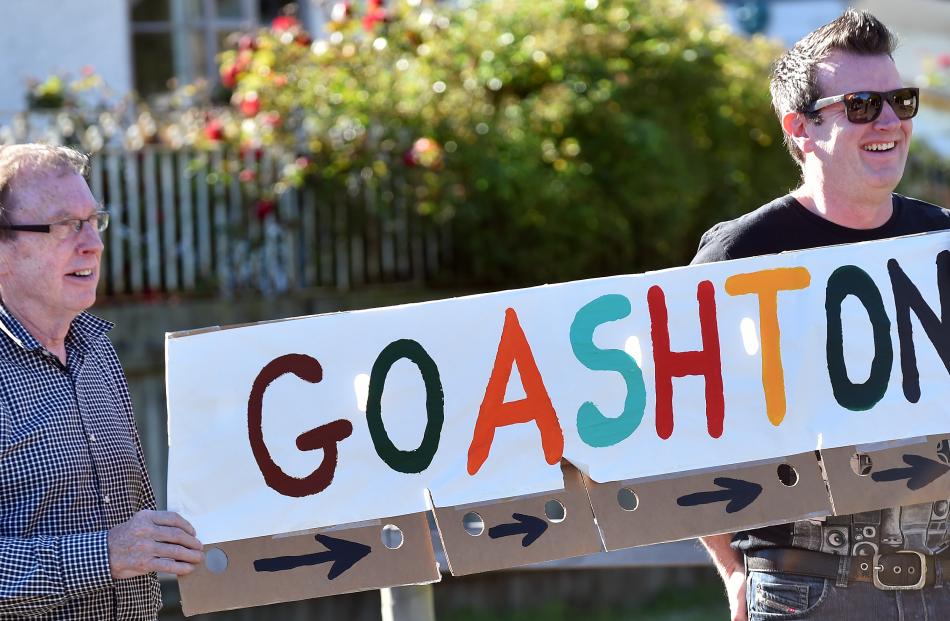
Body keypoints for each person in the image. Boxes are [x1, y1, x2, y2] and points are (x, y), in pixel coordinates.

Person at [692, 9, 950, 621]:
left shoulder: (940, 240)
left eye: (901, 100)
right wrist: (733, 570)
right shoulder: (740, 254)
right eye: (861, 104)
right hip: (804, 591)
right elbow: (682, 426)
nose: (889, 120)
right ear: (801, 128)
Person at [0, 144, 204, 619]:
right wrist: (104, 555)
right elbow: (118, 551)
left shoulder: (96, 350)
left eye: (94, 221)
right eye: (65, 225)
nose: (92, 242)